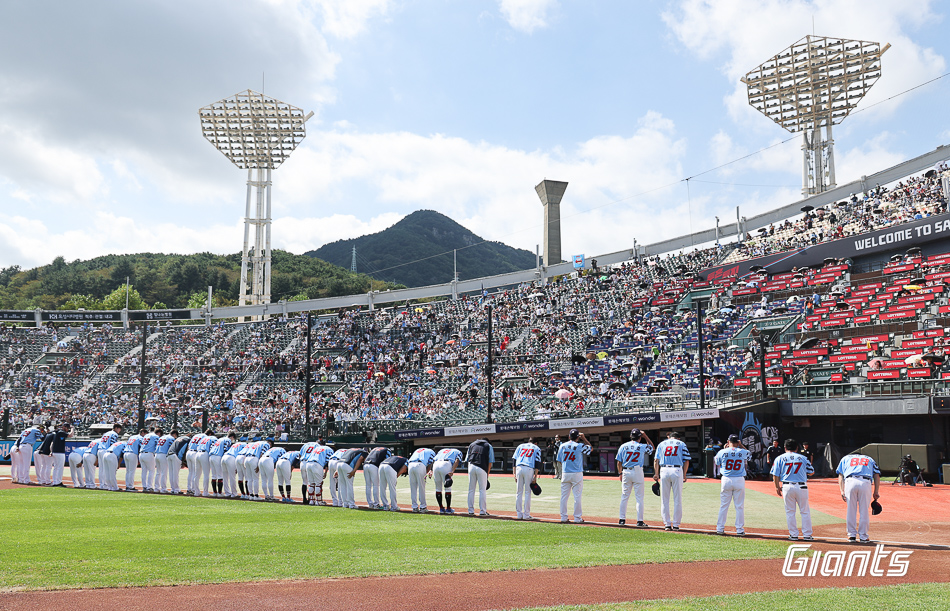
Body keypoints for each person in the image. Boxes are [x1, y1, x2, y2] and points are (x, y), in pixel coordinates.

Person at [770, 439, 814, 541]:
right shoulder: (803, 458)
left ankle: (793, 535)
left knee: (790, 511)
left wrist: (777, 487)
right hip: (802, 487)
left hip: (787, 487)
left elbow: (775, 474)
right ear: (797, 448)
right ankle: (807, 535)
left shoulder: (779, 458)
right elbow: (811, 472)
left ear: (785, 448)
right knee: (805, 511)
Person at [836, 451, 881, 543]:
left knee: (851, 510)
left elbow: (840, 475)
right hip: (865, 482)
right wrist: (876, 491)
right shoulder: (869, 459)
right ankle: (863, 536)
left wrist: (842, 490)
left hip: (850, 481)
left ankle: (851, 535)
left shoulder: (845, 458)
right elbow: (877, 475)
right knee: (864, 510)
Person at [714, 434, 751, 536]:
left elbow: (717, 462)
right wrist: (741, 446)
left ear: (728, 441)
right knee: (739, 506)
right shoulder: (742, 451)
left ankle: (720, 528)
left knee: (724, 505)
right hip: (739, 480)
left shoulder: (722, 451)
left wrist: (724, 449)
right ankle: (739, 529)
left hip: (726, 479)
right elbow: (749, 455)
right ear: (738, 442)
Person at [616, 428, 654, 527]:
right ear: (640, 437)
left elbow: (619, 462)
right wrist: (645, 436)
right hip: (637, 471)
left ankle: (621, 520)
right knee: (639, 498)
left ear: (630, 436)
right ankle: (640, 521)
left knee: (624, 496)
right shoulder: (641, 446)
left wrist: (620, 473)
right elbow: (652, 448)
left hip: (626, 471)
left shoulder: (623, 446)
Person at [653, 431, 691, 531]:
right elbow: (686, 460)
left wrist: (656, 474)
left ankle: (667, 524)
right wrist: (684, 474)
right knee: (677, 499)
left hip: (664, 470)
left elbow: (656, 460)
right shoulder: (681, 444)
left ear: (670, 437)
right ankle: (676, 525)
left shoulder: (661, 444)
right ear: (678, 438)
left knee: (664, 499)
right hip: (676, 470)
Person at [557, 429, 591, 523]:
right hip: (577, 473)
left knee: (564, 497)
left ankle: (563, 517)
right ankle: (577, 518)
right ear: (578, 437)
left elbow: (559, 460)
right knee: (577, 497)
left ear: (569, 437)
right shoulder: (580, 445)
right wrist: (584, 438)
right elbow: (590, 449)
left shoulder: (562, 446)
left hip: (565, 473)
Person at [513, 437, 542, 520]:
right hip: (529, 469)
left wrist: (514, 474)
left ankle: (519, 514)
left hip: (519, 468)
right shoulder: (537, 448)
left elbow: (514, 460)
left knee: (519, 492)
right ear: (535, 443)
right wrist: (535, 476)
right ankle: (526, 515)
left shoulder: (520, 446)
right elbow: (537, 463)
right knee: (527, 492)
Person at [466, 438, 495, 517]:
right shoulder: (488, 446)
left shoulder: (472, 444)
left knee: (471, 490)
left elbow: (467, 459)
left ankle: (470, 510)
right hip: (482, 467)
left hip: (471, 466)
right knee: (482, 490)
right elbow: (490, 462)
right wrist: (487, 475)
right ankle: (482, 511)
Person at [432, 446, 463, 514]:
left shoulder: (441, 450)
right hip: (446, 464)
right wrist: (452, 471)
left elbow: (433, 460)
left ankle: (441, 508)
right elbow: (457, 461)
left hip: (436, 464)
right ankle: (448, 509)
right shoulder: (458, 451)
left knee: (438, 488)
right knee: (448, 487)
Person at [407, 446, 436, 513]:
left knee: (413, 488)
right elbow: (430, 463)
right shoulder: (431, 452)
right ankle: (423, 507)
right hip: (420, 465)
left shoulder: (418, 449)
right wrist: (426, 474)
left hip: (410, 465)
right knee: (421, 487)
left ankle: (414, 507)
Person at [96, 424, 124, 490]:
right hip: (106, 450)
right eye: (119, 429)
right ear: (116, 428)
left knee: (101, 469)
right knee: (106, 469)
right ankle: (106, 485)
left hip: (100, 450)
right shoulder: (114, 434)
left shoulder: (106, 433)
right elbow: (112, 444)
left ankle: (102, 485)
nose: (120, 430)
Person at [208, 432, 235, 497]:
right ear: (232, 437)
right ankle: (220, 493)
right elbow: (226, 449)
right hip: (218, 456)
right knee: (220, 476)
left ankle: (215, 493)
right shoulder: (227, 440)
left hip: (211, 456)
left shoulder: (219, 439)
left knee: (214, 476)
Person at [194, 429, 217, 497]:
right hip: (205, 454)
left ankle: (196, 492)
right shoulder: (213, 438)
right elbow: (213, 447)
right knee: (206, 474)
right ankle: (205, 492)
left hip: (197, 453)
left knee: (196, 475)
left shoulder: (203, 438)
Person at [139, 428, 160, 492]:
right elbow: (157, 445)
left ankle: (144, 486)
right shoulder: (155, 436)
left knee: (144, 471)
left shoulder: (146, 436)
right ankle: (149, 487)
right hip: (149, 454)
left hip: (141, 454)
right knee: (151, 471)